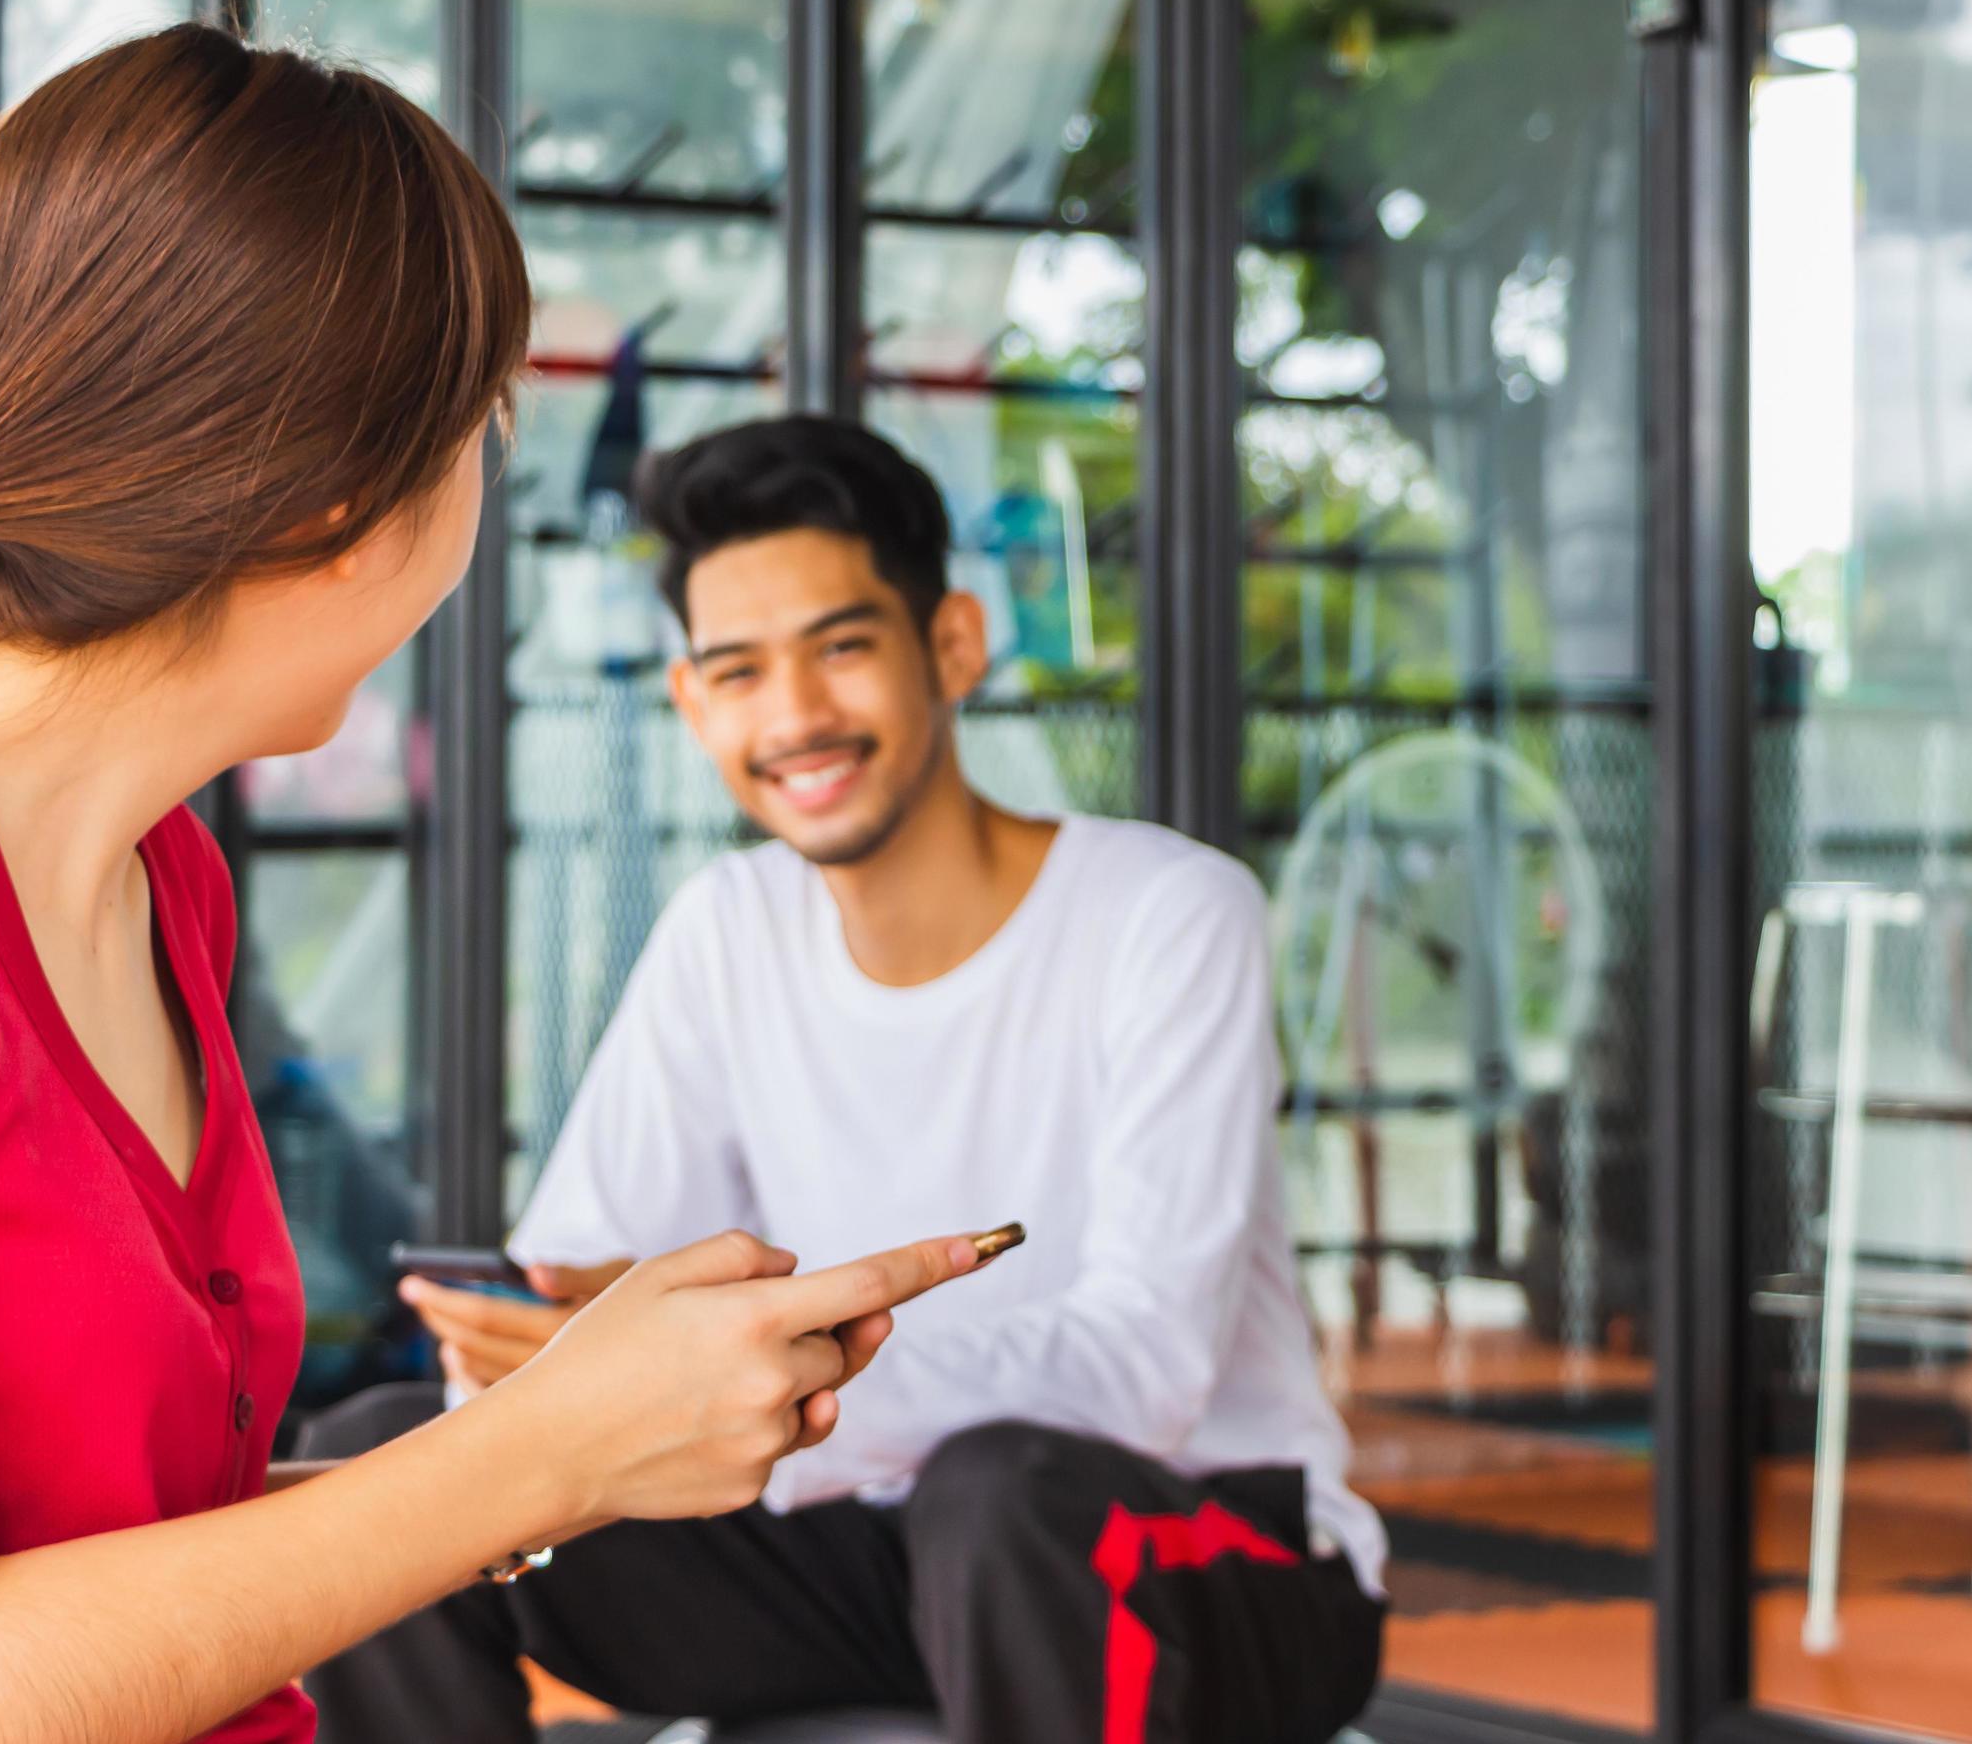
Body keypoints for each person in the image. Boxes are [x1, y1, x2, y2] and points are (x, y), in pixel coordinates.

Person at [0, 29, 984, 1744]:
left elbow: (142, 1573)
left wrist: (587, 1434)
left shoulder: (156, 878)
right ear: (333, 499)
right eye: (478, 428)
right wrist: (539, 1453)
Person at [331, 416, 1389, 1743]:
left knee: (993, 1494)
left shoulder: (1166, 913)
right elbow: (582, 1268)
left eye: (840, 648)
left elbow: (1145, 1373)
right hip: (857, 1549)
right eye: (738, 671)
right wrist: (544, 1347)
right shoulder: (728, 926)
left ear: (950, 643)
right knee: (387, 1458)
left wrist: (762, 1370)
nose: (795, 717)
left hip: (1207, 1550)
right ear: (692, 703)